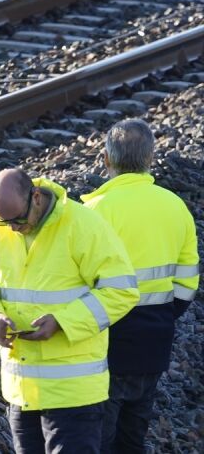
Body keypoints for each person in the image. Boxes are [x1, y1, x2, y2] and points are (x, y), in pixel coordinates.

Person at [0, 169, 139, 453]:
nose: (12, 228)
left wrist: (63, 322)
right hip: (23, 391)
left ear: (37, 197)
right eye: (4, 221)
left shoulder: (83, 225)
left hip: (74, 394)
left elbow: (122, 290)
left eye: (18, 220)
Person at [81, 120, 198, 453]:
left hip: (106, 343)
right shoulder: (175, 206)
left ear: (106, 159)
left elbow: (76, 282)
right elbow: (187, 283)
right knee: (133, 436)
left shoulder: (93, 212)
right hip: (154, 340)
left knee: (99, 437)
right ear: (150, 158)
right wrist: (162, 315)